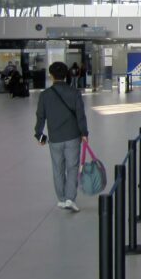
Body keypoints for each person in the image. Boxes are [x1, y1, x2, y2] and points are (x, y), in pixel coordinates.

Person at [34, 61, 89, 213]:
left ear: (51, 75)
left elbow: (40, 117)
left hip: (55, 138)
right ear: (66, 75)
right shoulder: (74, 92)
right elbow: (80, 116)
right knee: (72, 168)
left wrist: (40, 136)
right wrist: (84, 133)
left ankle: (61, 199)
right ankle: (70, 198)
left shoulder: (45, 95)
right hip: (72, 136)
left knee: (57, 169)